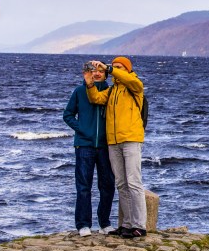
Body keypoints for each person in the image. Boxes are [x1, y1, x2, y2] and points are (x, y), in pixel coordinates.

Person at [86, 56, 147, 238]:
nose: (115, 69)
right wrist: (89, 84)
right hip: (114, 142)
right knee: (121, 183)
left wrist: (110, 69)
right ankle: (126, 224)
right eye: (114, 66)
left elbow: (131, 81)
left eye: (119, 67)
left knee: (134, 182)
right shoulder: (112, 91)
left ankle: (139, 225)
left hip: (130, 139)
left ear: (127, 69)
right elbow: (96, 98)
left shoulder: (134, 86)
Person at [63, 61, 116, 237]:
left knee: (107, 185)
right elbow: (68, 115)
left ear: (106, 74)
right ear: (89, 73)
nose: (97, 73)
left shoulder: (111, 93)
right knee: (84, 186)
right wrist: (82, 129)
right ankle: (83, 224)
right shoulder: (79, 92)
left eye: (101, 70)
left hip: (105, 145)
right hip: (84, 145)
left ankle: (105, 223)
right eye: (94, 70)